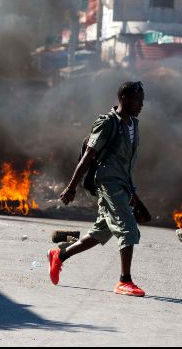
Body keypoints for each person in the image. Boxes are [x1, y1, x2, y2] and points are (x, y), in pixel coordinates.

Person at [48, 81, 145, 297]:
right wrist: (71, 187)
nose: (141, 105)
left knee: (101, 231)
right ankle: (124, 281)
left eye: (142, 101)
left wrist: (132, 190)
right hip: (108, 184)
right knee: (127, 228)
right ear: (124, 99)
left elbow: (127, 162)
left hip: (122, 184)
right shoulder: (107, 123)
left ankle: (59, 256)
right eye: (137, 101)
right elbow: (88, 157)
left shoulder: (133, 125)